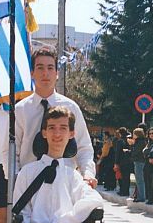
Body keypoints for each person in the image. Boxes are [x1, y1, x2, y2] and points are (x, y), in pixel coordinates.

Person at [15, 47, 97, 187]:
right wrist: (18, 180)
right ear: (32, 73)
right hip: (29, 185)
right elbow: (11, 151)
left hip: (65, 184)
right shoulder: (20, 110)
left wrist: (87, 174)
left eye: (50, 68)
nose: (45, 73)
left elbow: (84, 147)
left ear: (57, 73)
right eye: (40, 68)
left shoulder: (71, 107)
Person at [130, 128, 147, 202]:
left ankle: (141, 197)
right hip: (138, 161)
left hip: (139, 161)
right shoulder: (140, 141)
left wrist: (131, 145)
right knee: (138, 179)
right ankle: (139, 195)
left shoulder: (140, 142)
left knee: (140, 179)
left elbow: (135, 152)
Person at [113, 127, 132, 197]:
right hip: (129, 161)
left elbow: (117, 153)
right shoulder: (129, 140)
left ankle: (123, 191)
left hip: (122, 162)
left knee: (122, 177)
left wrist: (116, 163)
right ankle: (126, 191)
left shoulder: (120, 141)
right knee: (127, 177)